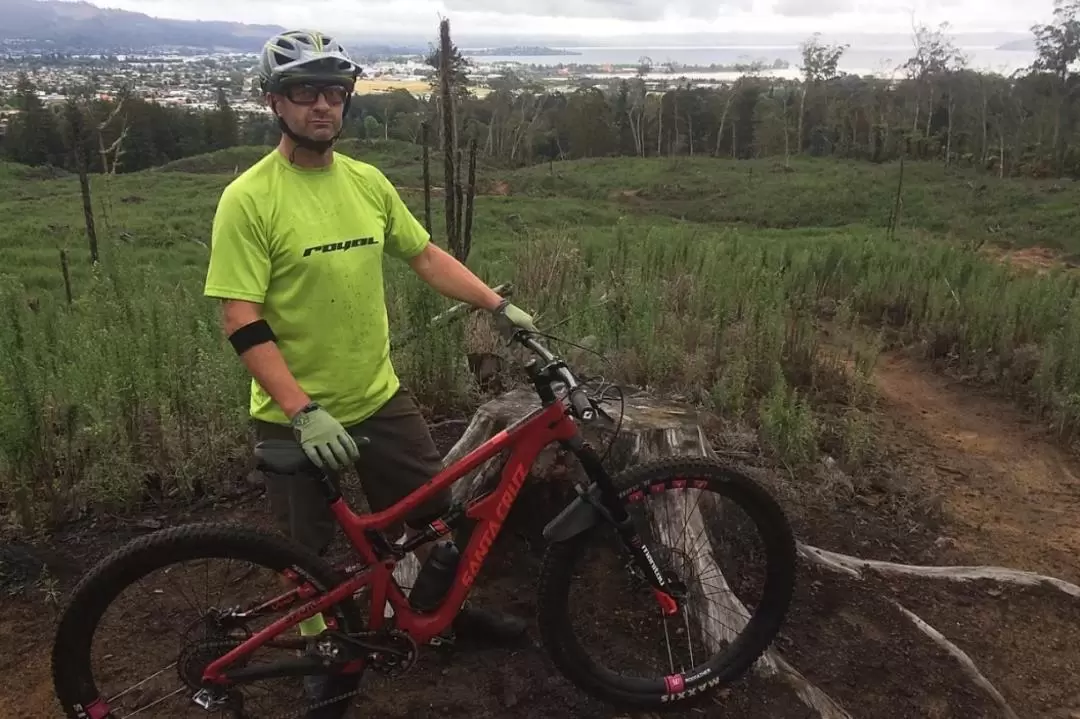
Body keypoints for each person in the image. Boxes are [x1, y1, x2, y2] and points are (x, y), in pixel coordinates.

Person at [203, 28, 532, 703]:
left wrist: (495, 303)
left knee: (435, 514)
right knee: (307, 561)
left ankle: (440, 615)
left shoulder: (367, 183)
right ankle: (329, 656)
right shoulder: (250, 198)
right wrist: (301, 408)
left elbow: (424, 256)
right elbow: (240, 317)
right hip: (294, 415)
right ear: (275, 103)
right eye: (304, 92)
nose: (322, 106)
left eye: (334, 92)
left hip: (379, 399)